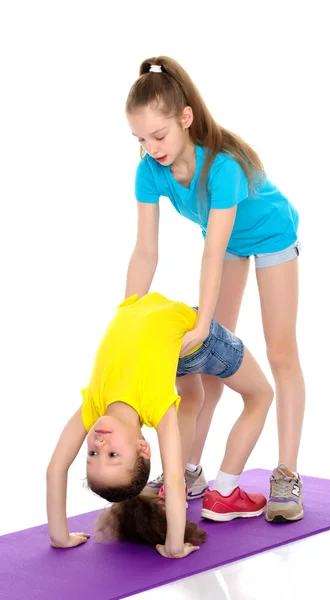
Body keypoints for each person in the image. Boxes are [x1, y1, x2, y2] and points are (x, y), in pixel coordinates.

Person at [124, 56, 305, 522]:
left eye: (159, 136)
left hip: (270, 235)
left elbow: (212, 252)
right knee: (210, 365)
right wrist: (127, 313)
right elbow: (146, 251)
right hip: (223, 244)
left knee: (280, 352)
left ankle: (286, 473)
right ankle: (187, 472)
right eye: (140, 139)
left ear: (185, 118)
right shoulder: (150, 170)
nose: (152, 148)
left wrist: (203, 320)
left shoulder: (224, 165)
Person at [46, 292, 273, 559]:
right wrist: (173, 546)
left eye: (92, 455)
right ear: (143, 448)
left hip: (170, 353)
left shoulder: (93, 406)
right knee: (262, 395)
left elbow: (56, 468)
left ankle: (194, 471)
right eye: (112, 455)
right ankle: (225, 490)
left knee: (192, 398)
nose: (99, 444)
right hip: (197, 338)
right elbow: (173, 480)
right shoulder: (156, 405)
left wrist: (60, 536)